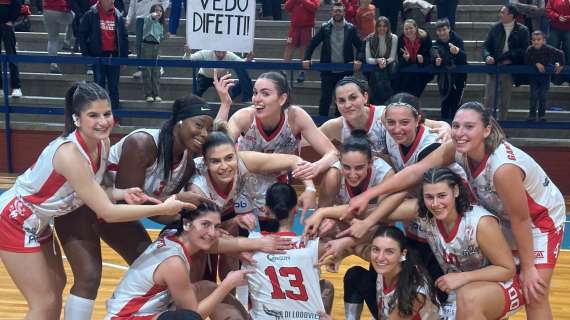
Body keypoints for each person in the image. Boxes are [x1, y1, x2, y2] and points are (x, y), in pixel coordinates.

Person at [349, 101, 566, 320]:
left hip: (538, 221)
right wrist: (369, 194)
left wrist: (529, 268)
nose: (460, 133)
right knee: (484, 291)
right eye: (456, 125)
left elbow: (521, 219)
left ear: (487, 129)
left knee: (534, 293)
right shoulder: (457, 147)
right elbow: (416, 171)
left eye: (469, 127)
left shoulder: (503, 169)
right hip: (503, 216)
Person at [0, 81, 191, 319]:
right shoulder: (69, 154)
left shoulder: (102, 143)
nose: (103, 121)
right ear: (77, 119)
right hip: (15, 219)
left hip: (39, 221)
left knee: (56, 288)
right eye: (93, 115)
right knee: (44, 301)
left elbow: (90, 192)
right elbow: (107, 212)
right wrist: (163, 207)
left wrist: (122, 194)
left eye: (107, 113)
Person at [55, 94, 218, 320]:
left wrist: (184, 214)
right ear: (179, 121)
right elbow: (126, 200)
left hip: (120, 215)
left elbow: (160, 212)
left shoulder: (187, 164)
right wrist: (174, 203)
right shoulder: (143, 144)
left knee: (158, 270)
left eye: (208, 129)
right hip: (84, 205)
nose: (203, 134)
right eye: (198, 125)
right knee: (89, 276)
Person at [104, 203, 293, 320]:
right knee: (190, 316)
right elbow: (193, 315)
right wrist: (227, 284)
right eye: (205, 225)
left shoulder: (175, 236)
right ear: (187, 224)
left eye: (216, 227)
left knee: (206, 288)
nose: (211, 232)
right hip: (126, 317)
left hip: (147, 312)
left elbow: (217, 243)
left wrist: (249, 240)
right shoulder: (174, 262)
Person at [384, 168, 525, 319]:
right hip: (458, 289)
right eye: (429, 197)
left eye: (442, 196)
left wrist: (463, 277)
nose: (436, 204)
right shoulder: (426, 217)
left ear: (456, 191)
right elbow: (382, 211)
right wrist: (361, 217)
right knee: (415, 296)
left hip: (505, 285)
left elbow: (507, 269)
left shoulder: (480, 222)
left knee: (469, 298)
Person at [188, 125, 318, 282]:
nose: (224, 166)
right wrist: (257, 243)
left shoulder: (244, 160)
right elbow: (202, 240)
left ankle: (231, 297)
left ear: (236, 154)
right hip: (190, 230)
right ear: (205, 162)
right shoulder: (198, 187)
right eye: (215, 161)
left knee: (234, 238)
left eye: (229, 158)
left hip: (222, 215)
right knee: (200, 258)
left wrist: (310, 189)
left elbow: (294, 161)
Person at [216, 71, 339, 180]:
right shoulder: (244, 117)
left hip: (277, 183)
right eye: (255, 93)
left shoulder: (295, 116)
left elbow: (333, 153)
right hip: (243, 179)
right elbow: (216, 148)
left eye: (265, 94)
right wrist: (225, 104)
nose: (257, 99)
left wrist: (315, 167)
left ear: (282, 99)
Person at [244, 183, 335, 319]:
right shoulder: (313, 244)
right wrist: (324, 214)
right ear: (296, 209)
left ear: (266, 209)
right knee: (327, 286)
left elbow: (219, 242)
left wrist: (234, 221)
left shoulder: (249, 243)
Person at [316, 77, 451, 160]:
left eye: (353, 97)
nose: (348, 105)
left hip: (395, 176)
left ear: (365, 97)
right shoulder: (335, 126)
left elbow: (434, 124)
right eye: (341, 101)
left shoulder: (387, 114)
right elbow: (303, 136)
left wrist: (446, 128)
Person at [343, 226, 439, 319]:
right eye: (376, 249)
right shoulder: (388, 265)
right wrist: (338, 254)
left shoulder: (415, 290)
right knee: (354, 274)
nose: (380, 258)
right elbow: (354, 248)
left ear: (402, 254)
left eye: (389, 252)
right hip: (388, 314)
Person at [302, 1, 363, 117]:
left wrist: (359, 60)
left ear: (344, 13)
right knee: (325, 98)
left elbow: (361, 47)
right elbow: (312, 43)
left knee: (343, 100)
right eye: (335, 11)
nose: (337, 13)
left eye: (340, 11)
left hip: (345, 71)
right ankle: (322, 127)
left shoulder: (351, 29)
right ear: (331, 12)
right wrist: (306, 58)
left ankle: (341, 126)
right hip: (328, 71)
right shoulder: (325, 28)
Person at [482, 4, 530, 120]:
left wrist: (511, 58)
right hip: (494, 67)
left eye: (503, 12)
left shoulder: (523, 30)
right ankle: (486, 128)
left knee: (505, 101)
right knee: (488, 100)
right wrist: (487, 56)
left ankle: (501, 128)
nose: (500, 14)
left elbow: (524, 50)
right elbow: (485, 46)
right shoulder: (494, 28)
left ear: (511, 15)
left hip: (510, 69)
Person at [78, 0, 129, 110]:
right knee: (99, 87)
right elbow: (82, 35)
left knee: (114, 88)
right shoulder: (90, 14)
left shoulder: (118, 15)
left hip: (114, 56)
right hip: (98, 56)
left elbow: (124, 37)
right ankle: (99, 114)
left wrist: (124, 58)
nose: (112, 1)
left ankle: (115, 116)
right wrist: (86, 55)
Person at [184, 49, 254, 103]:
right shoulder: (205, 52)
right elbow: (189, 58)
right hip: (205, 76)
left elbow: (241, 62)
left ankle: (246, 97)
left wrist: (247, 60)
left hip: (222, 78)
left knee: (230, 95)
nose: (221, 54)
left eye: (224, 52)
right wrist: (187, 53)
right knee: (196, 94)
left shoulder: (229, 54)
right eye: (219, 52)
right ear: (214, 50)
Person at [524, 30, 565, 122]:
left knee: (543, 95)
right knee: (533, 95)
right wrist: (536, 63)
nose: (536, 42)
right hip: (534, 77)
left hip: (545, 76)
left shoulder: (548, 49)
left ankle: (542, 115)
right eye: (534, 40)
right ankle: (532, 115)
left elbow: (561, 53)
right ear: (531, 41)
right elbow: (526, 60)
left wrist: (561, 64)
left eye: (539, 39)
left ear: (544, 40)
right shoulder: (529, 50)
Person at [432, 18, 467, 122]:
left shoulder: (457, 40)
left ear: (449, 29)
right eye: (439, 30)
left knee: (456, 104)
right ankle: (445, 129)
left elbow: (464, 58)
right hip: (444, 80)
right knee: (445, 104)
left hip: (458, 78)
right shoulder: (436, 43)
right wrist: (436, 62)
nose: (442, 32)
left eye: (444, 29)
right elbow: (434, 61)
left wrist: (457, 51)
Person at [126, 0, 169, 80]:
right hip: (140, 19)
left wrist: (160, 12)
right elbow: (132, 5)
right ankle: (140, 68)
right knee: (139, 45)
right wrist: (128, 19)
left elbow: (166, 1)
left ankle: (157, 67)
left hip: (153, 18)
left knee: (153, 44)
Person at [283, 0, 320, 83]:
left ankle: (302, 72)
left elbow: (314, 7)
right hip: (294, 26)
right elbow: (286, 7)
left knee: (304, 49)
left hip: (308, 27)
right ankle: (284, 71)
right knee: (289, 47)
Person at [364, 16, 398, 105]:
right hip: (375, 65)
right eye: (379, 26)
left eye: (384, 26)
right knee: (377, 77)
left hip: (388, 65)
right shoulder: (370, 38)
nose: (382, 28)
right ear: (376, 27)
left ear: (388, 27)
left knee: (387, 76)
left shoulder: (394, 37)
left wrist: (384, 62)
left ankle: (387, 104)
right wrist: (377, 61)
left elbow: (392, 57)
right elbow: (368, 59)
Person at [396, 18, 432, 98]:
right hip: (407, 69)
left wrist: (423, 59)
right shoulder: (401, 39)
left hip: (421, 70)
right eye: (406, 29)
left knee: (415, 89)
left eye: (411, 28)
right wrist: (406, 59)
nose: (408, 31)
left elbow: (429, 56)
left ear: (416, 28)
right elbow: (399, 57)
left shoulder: (425, 37)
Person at [141, 4, 166, 102]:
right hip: (147, 46)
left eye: (160, 11)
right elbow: (149, 20)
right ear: (152, 11)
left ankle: (156, 94)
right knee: (147, 71)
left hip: (156, 47)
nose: (158, 12)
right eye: (156, 10)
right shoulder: (148, 20)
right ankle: (148, 94)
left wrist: (165, 37)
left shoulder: (160, 24)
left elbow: (159, 38)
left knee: (156, 72)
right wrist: (152, 15)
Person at [43, 0, 74, 73]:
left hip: (47, 9)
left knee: (52, 39)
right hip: (61, 8)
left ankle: (53, 64)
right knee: (75, 16)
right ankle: (67, 40)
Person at [0, 0, 22, 97]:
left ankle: (16, 87)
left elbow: (17, 4)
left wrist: (11, 20)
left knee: (12, 56)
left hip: (7, 26)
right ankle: (0, 88)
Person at [545, 0, 570, 84]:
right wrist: (557, 16)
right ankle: (554, 79)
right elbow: (548, 10)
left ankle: (568, 78)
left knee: (569, 52)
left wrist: (567, 18)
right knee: (553, 53)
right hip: (554, 28)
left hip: (569, 29)